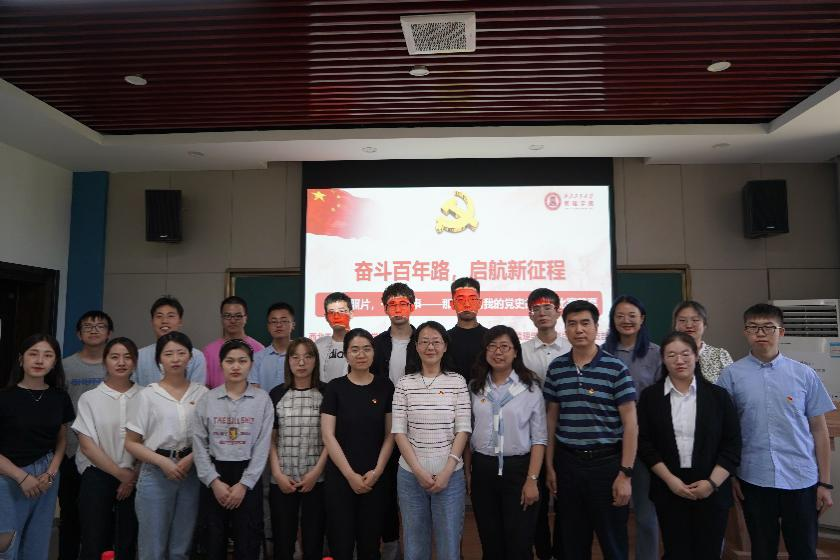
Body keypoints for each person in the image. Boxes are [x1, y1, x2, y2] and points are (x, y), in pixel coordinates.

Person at [717, 303, 835, 560]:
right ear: (745, 332)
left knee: (804, 551)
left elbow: (819, 430)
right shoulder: (730, 376)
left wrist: (825, 483)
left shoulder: (804, 374)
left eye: (768, 327)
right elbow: (726, 433)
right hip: (753, 478)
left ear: (781, 332)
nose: (760, 333)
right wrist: (731, 475)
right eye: (753, 327)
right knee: (762, 550)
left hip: (801, 478)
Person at [543, 300, 637, 560]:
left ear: (597, 327)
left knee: (613, 542)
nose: (579, 329)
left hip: (607, 465)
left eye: (585, 323)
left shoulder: (616, 368)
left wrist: (625, 474)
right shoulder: (557, 368)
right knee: (572, 543)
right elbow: (551, 419)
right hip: (568, 464)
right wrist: (550, 466)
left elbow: (631, 424)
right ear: (565, 329)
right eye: (572, 324)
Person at [637, 332, 741, 559]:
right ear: (663, 360)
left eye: (685, 354)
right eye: (671, 355)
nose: (679, 360)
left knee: (709, 552)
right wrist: (670, 480)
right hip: (669, 490)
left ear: (696, 356)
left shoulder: (718, 397)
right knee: (676, 552)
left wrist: (711, 484)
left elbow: (732, 445)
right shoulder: (650, 397)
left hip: (712, 491)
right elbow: (644, 444)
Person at [125, 331, 209, 560]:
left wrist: (190, 458)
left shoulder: (203, 393)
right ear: (159, 359)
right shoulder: (147, 395)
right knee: (152, 549)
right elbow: (131, 443)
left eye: (181, 353)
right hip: (155, 472)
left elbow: (209, 438)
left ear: (190, 357)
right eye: (168, 354)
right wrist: (164, 462)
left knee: (181, 548)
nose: (175, 359)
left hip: (190, 472)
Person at [392, 321, 471, 560]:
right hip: (410, 476)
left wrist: (447, 471)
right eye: (424, 342)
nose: (430, 347)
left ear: (445, 346)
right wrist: (418, 471)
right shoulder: (404, 383)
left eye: (436, 342)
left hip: (450, 475)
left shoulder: (457, 382)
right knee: (415, 546)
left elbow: (463, 430)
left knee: (449, 547)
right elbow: (399, 431)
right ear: (416, 346)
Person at [468, 325, 547, 560]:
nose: (498, 352)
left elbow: (539, 439)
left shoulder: (530, 388)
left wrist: (532, 480)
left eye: (504, 346)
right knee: (490, 542)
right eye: (492, 346)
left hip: (519, 470)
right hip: (483, 468)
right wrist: (469, 472)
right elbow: (467, 431)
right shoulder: (475, 387)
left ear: (515, 352)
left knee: (519, 543)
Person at [193, 339, 274, 560]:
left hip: (248, 477)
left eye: (242, 361)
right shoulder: (207, 399)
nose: (236, 366)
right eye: (230, 361)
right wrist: (213, 481)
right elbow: (199, 443)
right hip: (215, 475)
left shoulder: (262, 400)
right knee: (213, 542)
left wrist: (245, 484)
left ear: (251, 364)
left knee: (248, 542)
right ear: (221, 364)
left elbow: (263, 445)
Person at [321, 328, 395, 560]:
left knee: (370, 546)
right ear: (346, 354)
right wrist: (349, 475)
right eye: (354, 349)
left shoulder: (385, 386)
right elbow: (328, 435)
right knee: (341, 545)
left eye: (366, 349)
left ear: (373, 352)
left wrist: (378, 471)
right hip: (340, 478)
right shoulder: (334, 387)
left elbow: (390, 434)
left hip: (375, 478)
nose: (361, 354)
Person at [0, 334, 74, 560]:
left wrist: (51, 473)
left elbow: (61, 439)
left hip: (46, 474)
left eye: (47, 355)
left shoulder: (59, 397)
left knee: (38, 540)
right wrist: (21, 477)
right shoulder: (4, 397)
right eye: (33, 354)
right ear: (21, 359)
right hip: (7, 474)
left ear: (54, 362)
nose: (40, 360)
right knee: (5, 541)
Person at [73, 337, 142, 560]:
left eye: (127, 357)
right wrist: (121, 475)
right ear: (105, 362)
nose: (121, 362)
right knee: (93, 541)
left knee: (127, 542)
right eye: (114, 357)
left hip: (137, 477)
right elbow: (87, 446)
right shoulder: (90, 398)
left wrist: (131, 476)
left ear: (135, 362)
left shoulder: (146, 396)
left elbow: (151, 442)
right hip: (97, 476)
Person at [603, 295, 661, 560]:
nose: (626, 320)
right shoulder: (602, 353)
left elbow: (661, 401)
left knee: (646, 515)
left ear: (642, 319)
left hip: (644, 442)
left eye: (632, 315)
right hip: (608, 441)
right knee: (613, 513)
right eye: (620, 316)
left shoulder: (656, 353)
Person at [520, 288, 570, 560]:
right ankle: (542, 552)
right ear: (530, 315)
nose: (542, 313)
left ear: (558, 311)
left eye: (547, 308)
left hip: (567, 435)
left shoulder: (572, 348)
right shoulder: (522, 352)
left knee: (566, 502)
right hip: (532, 438)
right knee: (535, 501)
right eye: (536, 309)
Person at [60, 309, 113, 560]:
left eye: (100, 326)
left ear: (109, 333)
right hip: (71, 450)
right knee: (70, 514)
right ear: (78, 334)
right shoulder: (65, 366)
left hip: (106, 453)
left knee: (103, 515)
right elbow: (60, 410)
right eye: (88, 326)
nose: (94, 330)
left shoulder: (115, 364)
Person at [269, 337, 328, 560]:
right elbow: (271, 439)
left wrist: (316, 472)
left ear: (315, 360)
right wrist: (277, 474)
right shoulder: (276, 394)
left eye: (307, 357)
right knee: (283, 542)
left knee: (313, 542)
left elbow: (330, 439)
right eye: (295, 357)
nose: (301, 363)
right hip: (282, 479)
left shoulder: (327, 393)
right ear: (288, 361)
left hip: (317, 480)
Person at [372, 282, 417, 559]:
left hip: (419, 426)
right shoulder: (376, 344)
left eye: (403, 304)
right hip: (384, 426)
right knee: (386, 488)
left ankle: (416, 546)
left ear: (412, 307)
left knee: (415, 490)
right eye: (392, 304)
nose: (398, 309)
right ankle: (390, 544)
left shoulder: (425, 339)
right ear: (385, 308)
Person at [135, 295, 207, 386]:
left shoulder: (196, 356)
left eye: (170, 316)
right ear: (152, 321)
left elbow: (197, 391)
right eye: (159, 316)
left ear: (180, 321)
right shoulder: (140, 356)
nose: (164, 321)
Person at [203, 296, 265, 389]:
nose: (232, 320)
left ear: (246, 318)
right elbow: (205, 387)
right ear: (221, 318)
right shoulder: (208, 351)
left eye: (238, 316)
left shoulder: (259, 349)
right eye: (227, 316)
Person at [672, 300, 733, 383]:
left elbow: (732, 386)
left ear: (705, 325)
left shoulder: (720, 355)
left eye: (695, 320)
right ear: (675, 325)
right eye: (682, 320)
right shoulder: (667, 355)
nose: (689, 325)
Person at [446, 277, 488, 381]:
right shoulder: (444, 339)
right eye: (460, 299)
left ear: (480, 303)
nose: (467, 304)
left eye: (472, 299)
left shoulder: (491, 338)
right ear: (452, 304)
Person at [251, 302, 296, 393]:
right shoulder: (257, 358)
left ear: (293, 325)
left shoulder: (301, 356)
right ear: (268, 326)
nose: (278, 325)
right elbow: (255, 392)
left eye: (284, 321)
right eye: (274, 321)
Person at [315, 292, 352, 383]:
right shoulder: (319, 345)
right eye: (331, 312)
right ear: (326, 317)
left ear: (351, 314)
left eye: (341, 311)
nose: (336, 316)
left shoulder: (361, 343)